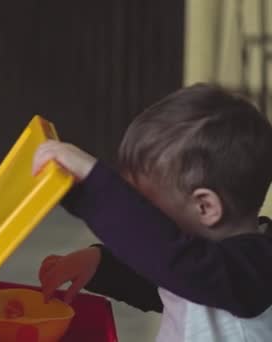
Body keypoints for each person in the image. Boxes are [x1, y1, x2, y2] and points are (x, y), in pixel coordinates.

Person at [32, 84, 272, 341]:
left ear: (205, 207)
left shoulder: (257, 268)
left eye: (144, 204)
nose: (141, 215)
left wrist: (94, 183)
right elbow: (166, 281)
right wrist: (100, 265)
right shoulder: (200, 265)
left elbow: (176, 262)